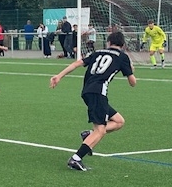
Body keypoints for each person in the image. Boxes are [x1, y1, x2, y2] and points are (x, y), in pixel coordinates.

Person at [50, 31, 137, 171]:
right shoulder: (122, 57)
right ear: (123, 45)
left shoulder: (97, 52)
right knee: (100, 130)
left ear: (108, 42)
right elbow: (132, 83)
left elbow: (77, 63)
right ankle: (76, 158)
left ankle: (89, 135)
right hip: (98, 93)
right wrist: (131, 70)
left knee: (119, 121)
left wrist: (59, 76)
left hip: (87, 91)